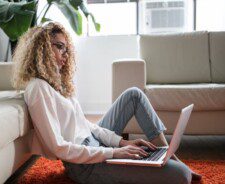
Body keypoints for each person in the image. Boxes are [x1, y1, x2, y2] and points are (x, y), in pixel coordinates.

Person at [12, 22, 201, 184]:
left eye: (66, 49)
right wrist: (114, 153)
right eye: (59, 46)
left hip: (95, 145)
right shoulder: (38, 88)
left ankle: (168, 155)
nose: (65, 54)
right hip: (84, 165)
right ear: (42, 48)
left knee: (134, 94)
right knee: (181, 176)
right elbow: (58, 147)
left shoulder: (57, 85)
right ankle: (170, 162)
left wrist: (121, 142)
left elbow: (85, 125)